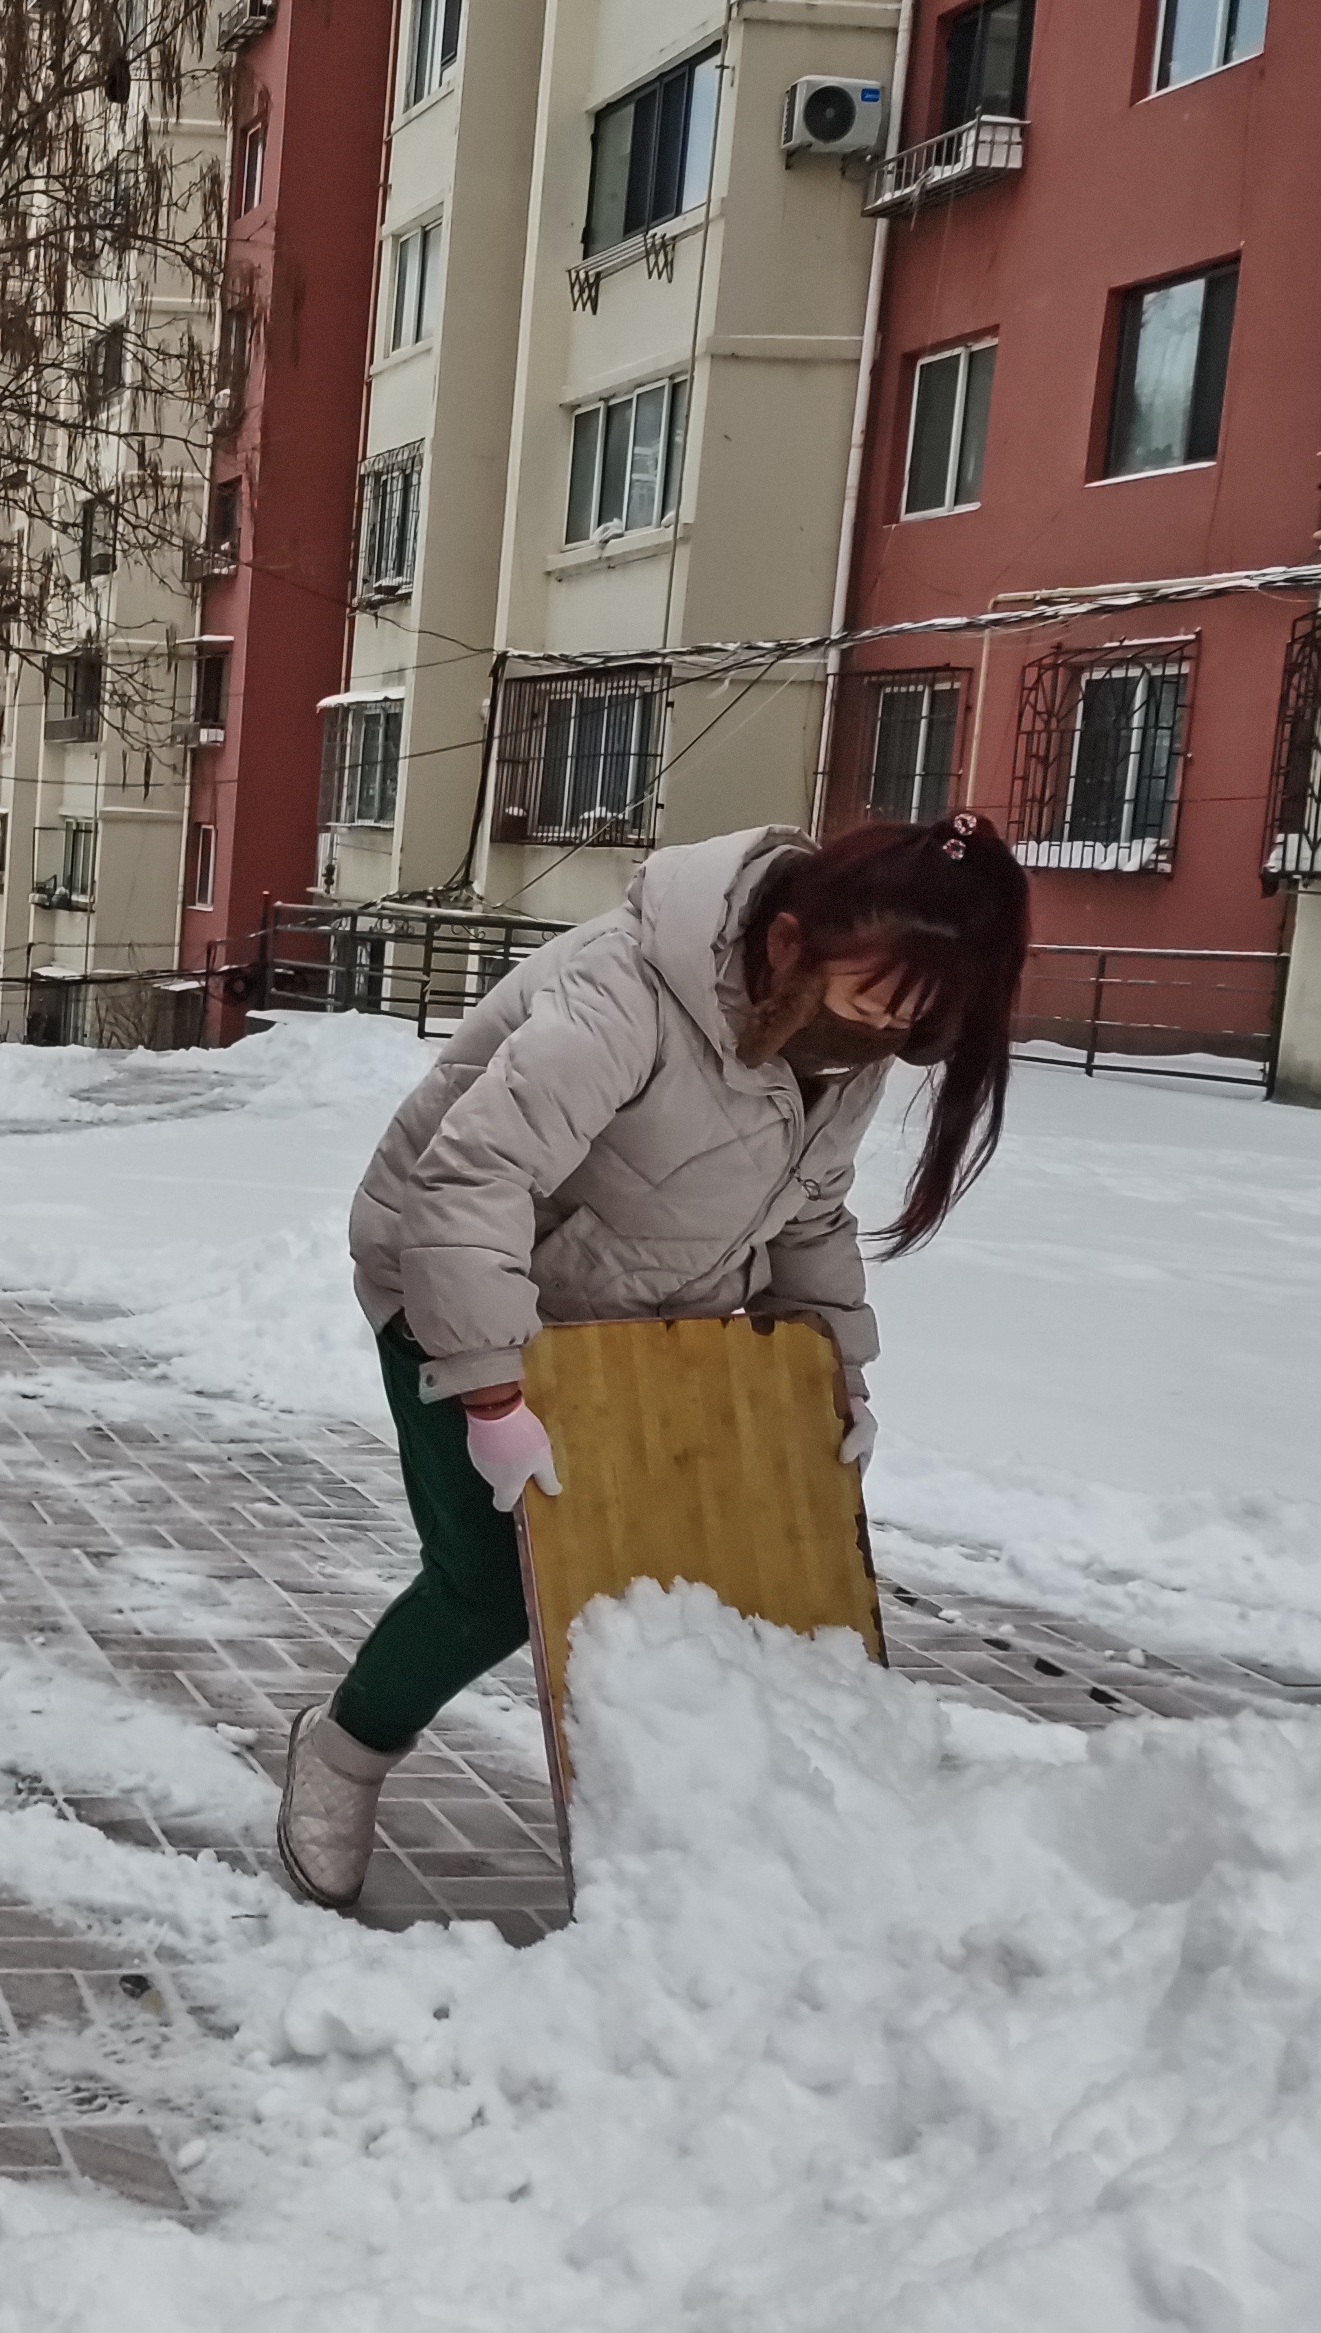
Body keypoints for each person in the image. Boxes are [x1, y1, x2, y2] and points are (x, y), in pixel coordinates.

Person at [275, 812, 1031, 1907]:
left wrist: (829, 1369)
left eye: (918, 1019)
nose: (887, 1036)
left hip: (632, 1323)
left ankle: (697, 1849)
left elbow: (806, 1213)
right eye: (874, 999)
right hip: (447, 1284)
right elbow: (471, 1182)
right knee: (491, 1587)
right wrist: (488, 1392)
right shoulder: (621, 994)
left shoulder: (836, 1044)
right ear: (786, 941)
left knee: (662, 1568)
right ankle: (342, 1753)